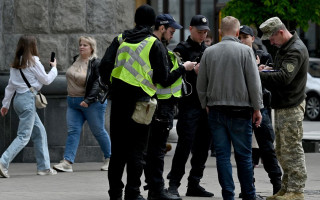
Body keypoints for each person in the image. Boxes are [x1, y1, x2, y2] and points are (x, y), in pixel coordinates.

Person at [98, 5, 170, 200]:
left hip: (119, 102)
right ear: (153, 23)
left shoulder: (120, 39)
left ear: (135, 20)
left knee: (118, 150)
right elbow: (163, 77)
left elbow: (104, 66)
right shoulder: (154, 43)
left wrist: (112, 83)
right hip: (142, 104)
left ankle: (115, 193)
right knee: (137, 150)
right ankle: (133, 192)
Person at [197, 16, 264, 200]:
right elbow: (254, 83)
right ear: (237, 32)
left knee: (223, 156)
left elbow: (201, 84)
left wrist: (205, 104)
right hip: (241, 111)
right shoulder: (245, 51)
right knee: (243, 157)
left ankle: (228, 195)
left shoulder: (209, 52)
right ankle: (249, 195)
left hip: (216, 110)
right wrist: (257, 108)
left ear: (219, 32)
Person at [144, 14, 195, 200]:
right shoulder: (157, 46)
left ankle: (154, 188)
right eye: (171, 31)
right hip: (161, 106)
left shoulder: (154, 44)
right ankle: (157, 191)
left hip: (157, 105)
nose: (173, 34)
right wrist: (184, 68)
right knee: (156, 152)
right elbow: (164, 80)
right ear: (162, 27)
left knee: (153, 151)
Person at [258, 17, 308, 200]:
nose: (270, 42)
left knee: (291, 149)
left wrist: (260, 74)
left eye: (271, 38)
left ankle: (296, 190)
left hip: (291, 105)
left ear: (280, 32)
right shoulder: (285, 47)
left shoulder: (294, 50)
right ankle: (286, 189)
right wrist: (268, 69)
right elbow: (280, 72)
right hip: (283, 104)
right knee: (282, 149)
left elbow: (284, 78)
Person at [167, 15, 214, 198]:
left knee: (203, 145)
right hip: (188, 104)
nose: (203, 35)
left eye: (205, 32)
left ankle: (194, 182)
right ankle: (173, 184)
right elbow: (174, 76)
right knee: (184, 145)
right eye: (200, 32)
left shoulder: (208, 50)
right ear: (191, 29)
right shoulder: (181, 50)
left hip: (205, 105)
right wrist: (191, 71)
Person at [0, 35, 58, 178]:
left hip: (18, 101)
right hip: (28, 100)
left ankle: (44, 167)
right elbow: (46, 80)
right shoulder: (34, 62)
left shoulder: (16, 63)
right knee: (24, 136)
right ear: (33, 46)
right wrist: (54, 69)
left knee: (39, 131)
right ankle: (3, 162)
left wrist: (5, 104)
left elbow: (10, 86)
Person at [53, 36, 111, 173]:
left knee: (98, 131)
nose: (81, 47)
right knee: (73, 131)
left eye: (85, 45)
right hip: (73, 102)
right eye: (80, 44)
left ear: (92, 48)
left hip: (91, 103)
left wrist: (88, 100)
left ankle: (110, 159)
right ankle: (67, 162)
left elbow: (99, 83)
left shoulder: (96, 63)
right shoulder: (76, 60)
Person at [239, 25, 282, 195]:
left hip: (261, 107)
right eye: (239, 37)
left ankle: (277, 185)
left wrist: (258, 71)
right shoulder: (237, 56)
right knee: (245, 152)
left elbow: (272, 80)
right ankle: (248, 188)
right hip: (242, 107)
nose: (242, 40)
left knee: (267, 148)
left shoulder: (263, 55)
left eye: (245, 37)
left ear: (252, 38)